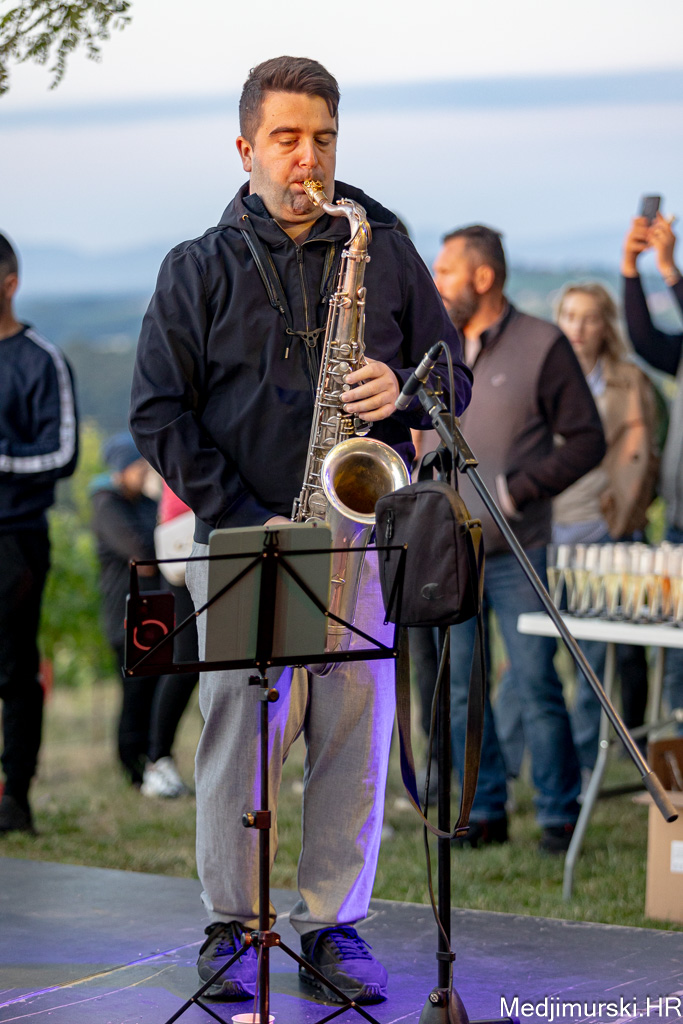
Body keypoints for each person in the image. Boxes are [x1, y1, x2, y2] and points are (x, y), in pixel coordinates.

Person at [129, 56, 471, 1005]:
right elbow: (157, 412)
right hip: (248, 539)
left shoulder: (382, 247)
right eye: (286, 139)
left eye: (322, 138)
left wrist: (405, 393)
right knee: (241, 737)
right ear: (245, 148)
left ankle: (332, 925)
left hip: (362, 538)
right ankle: (233, 925)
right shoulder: (196, 266)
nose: (307, 158)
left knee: (353, 742)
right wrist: (247, 515)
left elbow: (451, 379)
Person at [431, 225, 606, 853]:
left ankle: (559, 815)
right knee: (461, 691)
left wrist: (517, 491)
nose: (435, 282)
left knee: (535, 682)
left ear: (482, 278)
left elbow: (588, 440)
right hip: (448, 552)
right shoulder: (437, 345)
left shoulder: (542, 343)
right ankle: (483, 811)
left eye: (446, 271)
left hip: (518, 550)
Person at [0, 232, 78, 834]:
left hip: (15, 538)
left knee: (12, 669)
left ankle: (15, 800)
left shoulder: (41, 359)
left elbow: (63, 453)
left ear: (10, 284)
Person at [622, 210, 683, 726]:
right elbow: (644, 340)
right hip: (680, 525)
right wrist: (630, 268)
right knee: (679, 655)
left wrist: (669, 270)